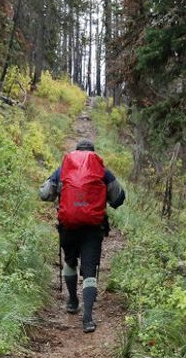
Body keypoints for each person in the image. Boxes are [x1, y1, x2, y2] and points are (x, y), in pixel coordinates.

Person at [39, 139, 126, 332]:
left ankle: (72, 301)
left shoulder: (63, 169)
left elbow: (45, 194)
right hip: (93, 228)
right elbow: (118, 198)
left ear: (75, 153)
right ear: (93, 154)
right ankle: (87, 319)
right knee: (89, 270)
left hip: (68, 226)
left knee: (70, 262)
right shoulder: (102, 171)